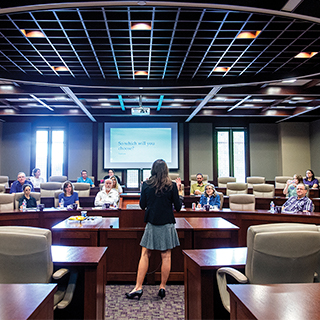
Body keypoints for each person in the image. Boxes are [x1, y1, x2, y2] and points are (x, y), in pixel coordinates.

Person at [126, 159, 182, 301]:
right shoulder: (172, 185)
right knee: (166, 255)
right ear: (166, 170)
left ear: (153, 170)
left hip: (152, 223)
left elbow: (142, 205)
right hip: (167, 223)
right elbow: (179, 206)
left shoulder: (146, 184)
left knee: (145, 253)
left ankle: (138, 287)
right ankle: (162, 287)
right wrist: (179, 190)